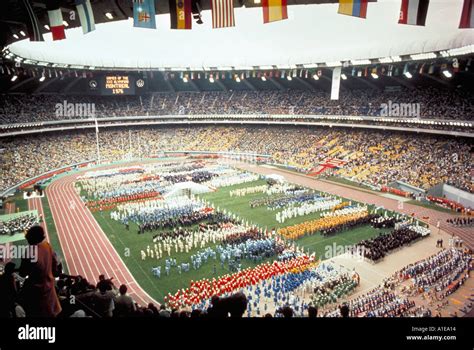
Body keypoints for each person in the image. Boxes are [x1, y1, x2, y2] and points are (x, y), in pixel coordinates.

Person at [18, 225, 62, 317]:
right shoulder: (47, 246)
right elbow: (55, 267)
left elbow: (22, 273)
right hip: (50, 289)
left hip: (36, 293)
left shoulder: (29, 252)